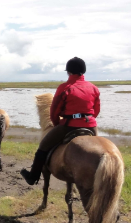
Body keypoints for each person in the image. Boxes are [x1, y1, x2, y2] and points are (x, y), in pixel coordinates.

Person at [20, 57, 100, 185]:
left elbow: (54, 111)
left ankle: (32, 177)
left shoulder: (65, 87)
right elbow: (96, 110)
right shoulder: (93, 88)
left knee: (43, 147)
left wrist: (58, 124)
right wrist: (88, 121)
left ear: (68, 72)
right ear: (83, 71)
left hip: (69, 125)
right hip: (90, 125)